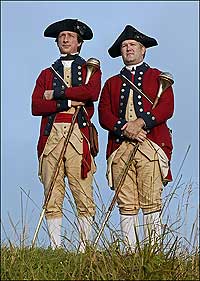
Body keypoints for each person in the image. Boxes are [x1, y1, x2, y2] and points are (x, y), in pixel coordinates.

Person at [98, 25, 174, 251]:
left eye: (133, 45)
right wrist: (124, 127)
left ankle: (154, 251)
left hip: (150, 147)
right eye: (124, 46)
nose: (128, 48)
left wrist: (141, 123)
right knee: (126, 201)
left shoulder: (158, 77)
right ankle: (129, 251)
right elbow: (104, 113)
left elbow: (167, 107)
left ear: (143, 50)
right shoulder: (112, 82)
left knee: (151, 199)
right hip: (121, 148)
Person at [32, 18, 101, 251]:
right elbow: (36, 106)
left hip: (78, 135)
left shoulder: (90, 68)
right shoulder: (45, 73)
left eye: (70, 36)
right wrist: (69, 101)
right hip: (51, 135)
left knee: (82, 191)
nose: (65, 39)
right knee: (52, 192)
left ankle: (84, 248)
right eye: (61, 36)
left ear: (79, 43)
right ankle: (55, 246)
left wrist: (56, 94)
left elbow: (91, 93)